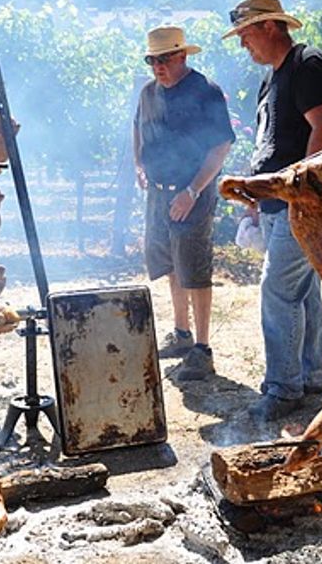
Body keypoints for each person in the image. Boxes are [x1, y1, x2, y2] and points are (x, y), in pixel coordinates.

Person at [222, 0, 322, 419]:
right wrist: (255, 199)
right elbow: (269, 145)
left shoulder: (308, 64)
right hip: (277, 204)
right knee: (302, 292)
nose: (243, 44)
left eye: (245, 34)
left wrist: (301, 191)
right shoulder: (271, 78)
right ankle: (310, 378)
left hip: (301, 203)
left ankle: (284, 388)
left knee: (278, 289)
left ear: (270, 27)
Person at [133, 25, 235, 381]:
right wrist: (139, 165)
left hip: (192, 193)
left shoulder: (205, 92)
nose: (158, 67)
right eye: (152, 61)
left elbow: (220, 146)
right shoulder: (148, 93)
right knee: (170, 263)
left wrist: (192, 191)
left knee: (194, 268)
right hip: (158, 193)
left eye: (164, 59)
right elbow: (137, 128)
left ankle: (202, 350)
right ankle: (181, 334)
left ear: (182, 55)